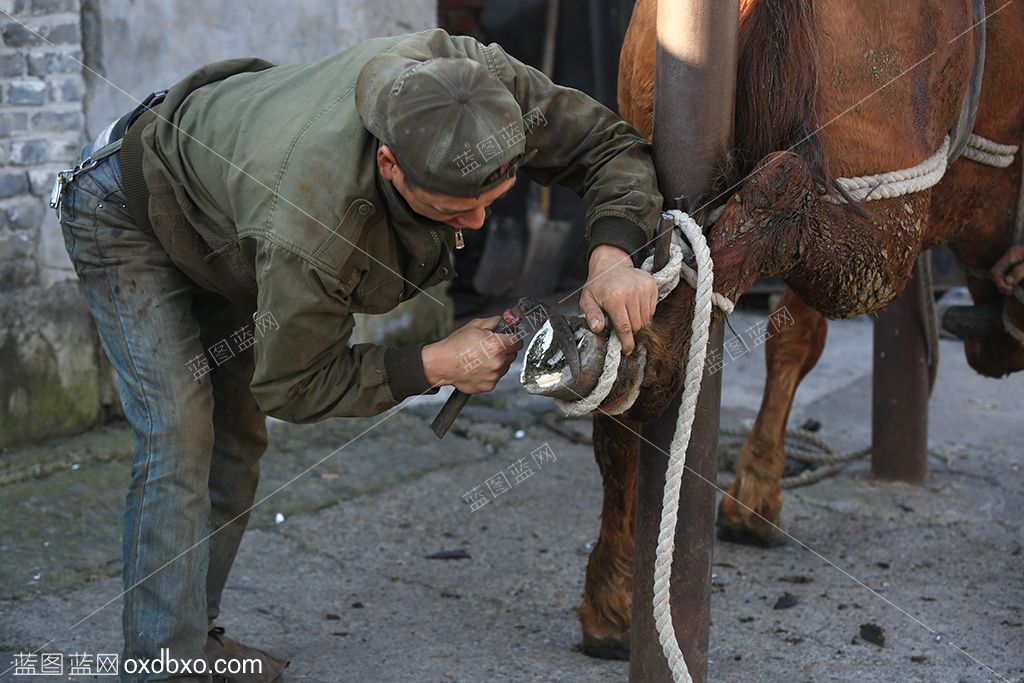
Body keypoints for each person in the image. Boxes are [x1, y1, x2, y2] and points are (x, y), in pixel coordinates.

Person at [54, 28, 663, 682]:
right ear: (391, 164)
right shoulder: (312, 223)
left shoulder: (480, 87)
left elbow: (607, 143)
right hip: (126, 210)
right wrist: (433, 364)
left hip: (225, 216)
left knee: (237, 439)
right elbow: (294, 385)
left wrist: (613, 253)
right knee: (180, 434)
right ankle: (160, 667)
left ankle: (189, 640)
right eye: (457, 208)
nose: (480, 224)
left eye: (493, 200)